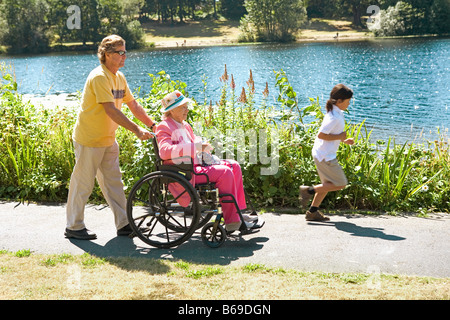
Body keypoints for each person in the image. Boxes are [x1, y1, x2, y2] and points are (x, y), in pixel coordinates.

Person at [65, 35, 156, 240]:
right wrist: (137, 130)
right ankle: (73, 226)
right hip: (89, 139)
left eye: (125, 52)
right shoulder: (99, 77)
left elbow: (133, 105)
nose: (124, 56)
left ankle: (124, 224)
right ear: (106, 54)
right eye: (119, 52)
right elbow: (111, 111)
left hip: (107, 139)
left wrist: (152, 125)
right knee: (83, 184)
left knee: (114, 182)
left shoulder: (119, 77)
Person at [155, 90, 263, 232]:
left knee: (234, 165)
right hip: (185, 172)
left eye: (186, 107)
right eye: (183, 107)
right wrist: (197, 147)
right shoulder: (164, 126)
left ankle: (239, 212)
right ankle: (233, 220)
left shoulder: (184, 125)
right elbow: (164, 151)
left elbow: (193, 141)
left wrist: (202, 144)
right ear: (172, 110)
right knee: (224, 172)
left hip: (196, 165)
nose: (187, 110)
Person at [299, 84, 354, 221]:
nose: (349, 104)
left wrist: (344, 140)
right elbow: (322, 135)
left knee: (326, 185)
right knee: (340, 183)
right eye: (348, 101)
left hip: (322, 153)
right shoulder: (334, 116)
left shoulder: (335, 112)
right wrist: (340, 136)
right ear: (340, 101)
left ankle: (312, 212)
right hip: (325, 157)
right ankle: (308, 191)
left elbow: (331, 134)